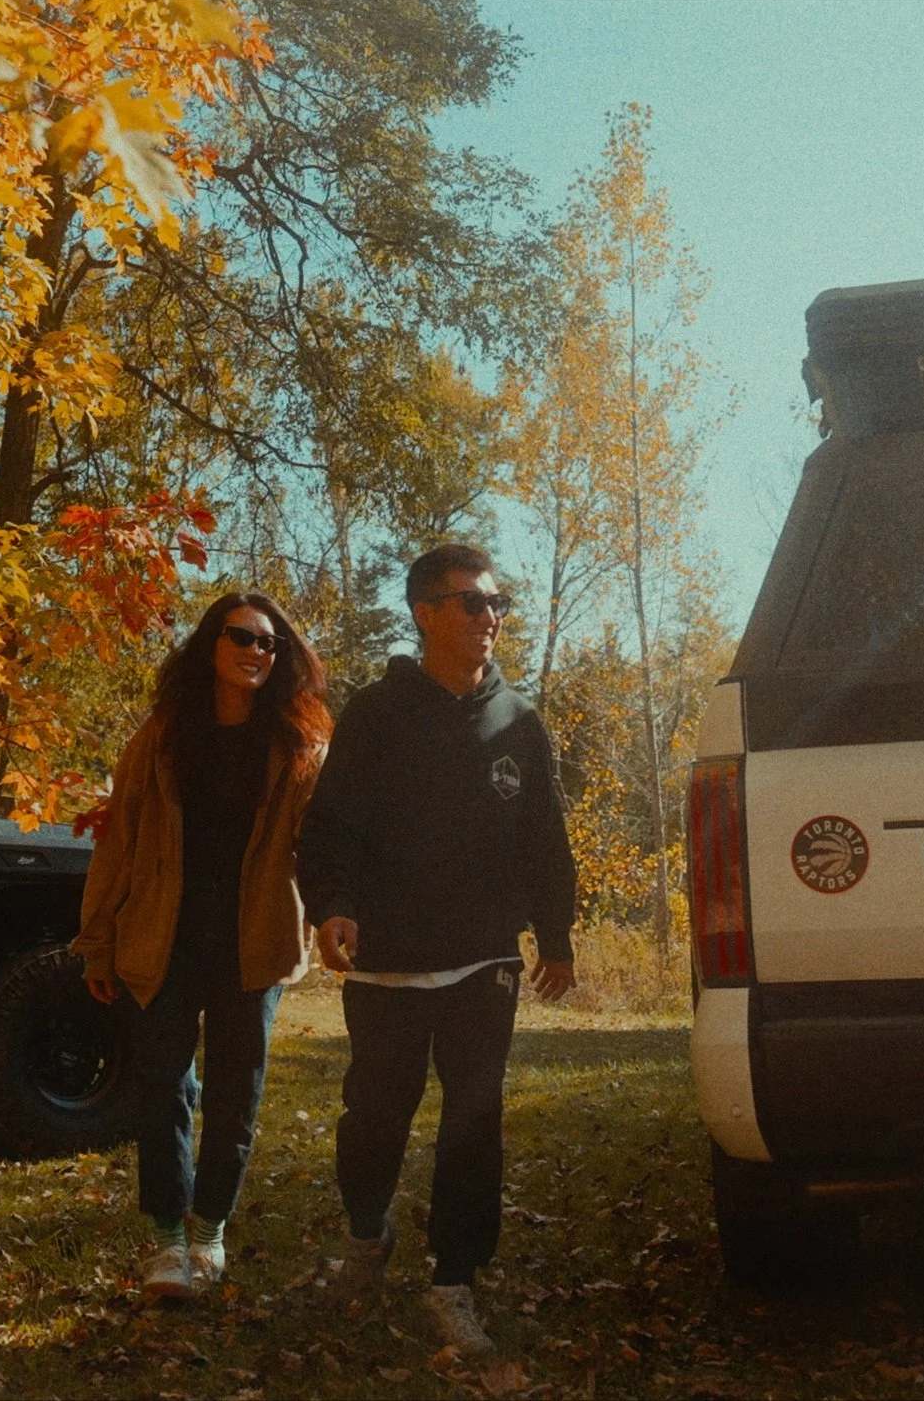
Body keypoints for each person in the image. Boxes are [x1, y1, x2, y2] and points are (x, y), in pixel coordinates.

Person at [296, 542, 578, 1358]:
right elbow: (330, 827)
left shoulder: (519, 721)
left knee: (473, 1123)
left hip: (484, 960)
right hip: (387, 958)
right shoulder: (377, 715)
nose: (491, 617)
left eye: (497, 603)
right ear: (425, 614)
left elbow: (546, 839)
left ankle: (454, 1281)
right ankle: (365, 1238)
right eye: (472, 602)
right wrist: (335, 907)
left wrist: (555, 937)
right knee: (375, 1118)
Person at [72, 592, 331, 1303]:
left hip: (255, 941)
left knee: (236, 1090)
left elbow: (323, 846)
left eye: (269, 644)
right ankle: (169, 1239)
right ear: (210, 645)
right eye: (241, 637)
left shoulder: (301, 745)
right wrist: (98, 941)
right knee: (162, 1085)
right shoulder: (163, 734)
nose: (255, 652)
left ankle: (210, 1228)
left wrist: (340, 916)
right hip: (165, 934)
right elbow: (120, 840)